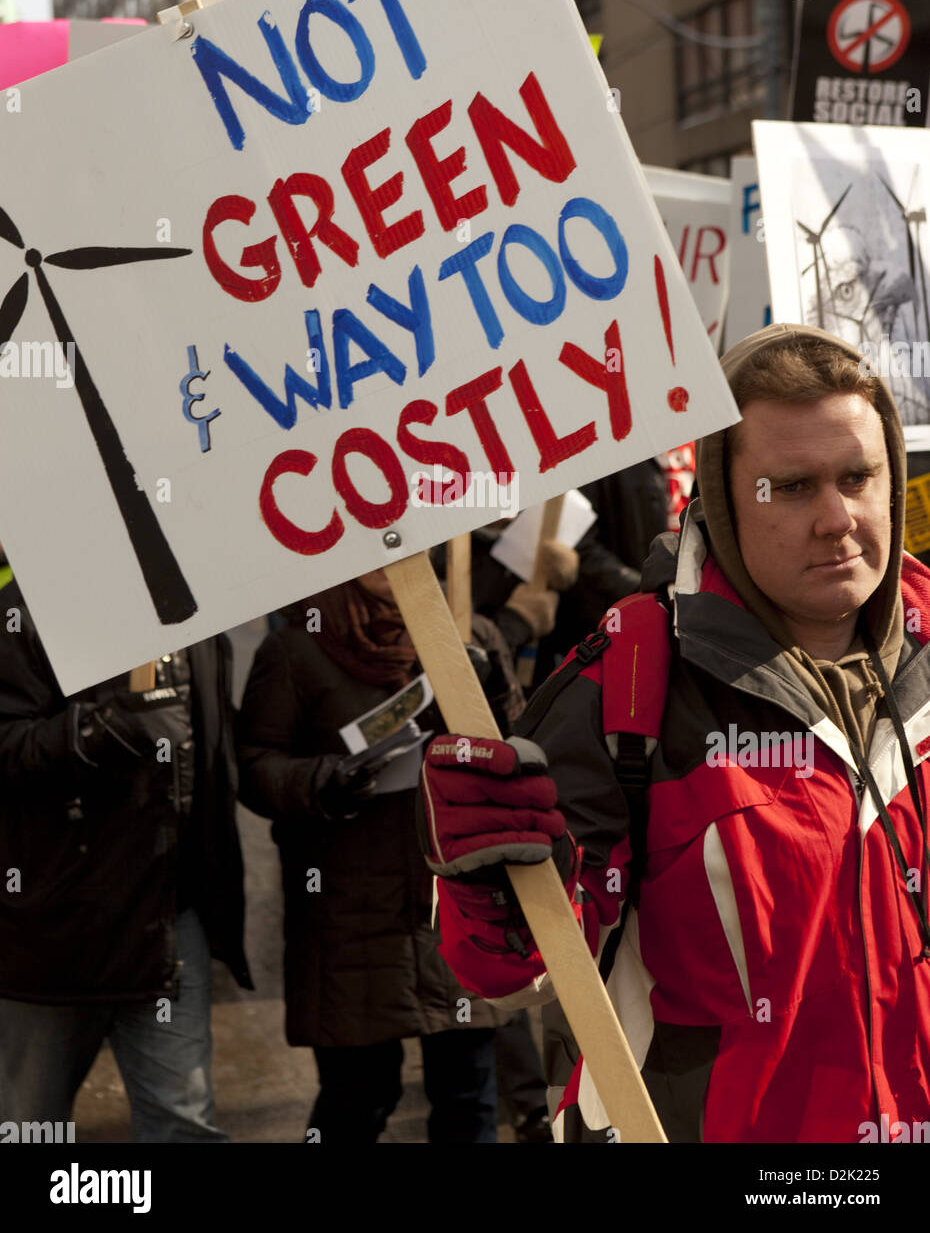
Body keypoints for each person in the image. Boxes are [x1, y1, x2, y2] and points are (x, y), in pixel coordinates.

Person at [419, 323, 930, 1143]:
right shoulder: (628, 684)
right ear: (724, 501)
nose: (838, 517)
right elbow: (516, 975)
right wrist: (485, 883)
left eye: (859, 476)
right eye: (792, 487)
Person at [236, 568, 522, 1144]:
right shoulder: (297, 647)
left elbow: (527, 749)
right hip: (348, 912)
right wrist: (322, 781)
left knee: (467, 1095)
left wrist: (490, 692)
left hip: (455, 899)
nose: (394, 561)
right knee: (357, 1098)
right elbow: (254, 768)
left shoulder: (470, 633)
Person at [0, 566, 252, 1142]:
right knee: (28, 1129)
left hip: (166, 924)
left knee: (182, 1124)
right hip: (50, 933)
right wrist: (101, 730)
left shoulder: (195, 609)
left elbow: (225, 756)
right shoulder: (23, 611)